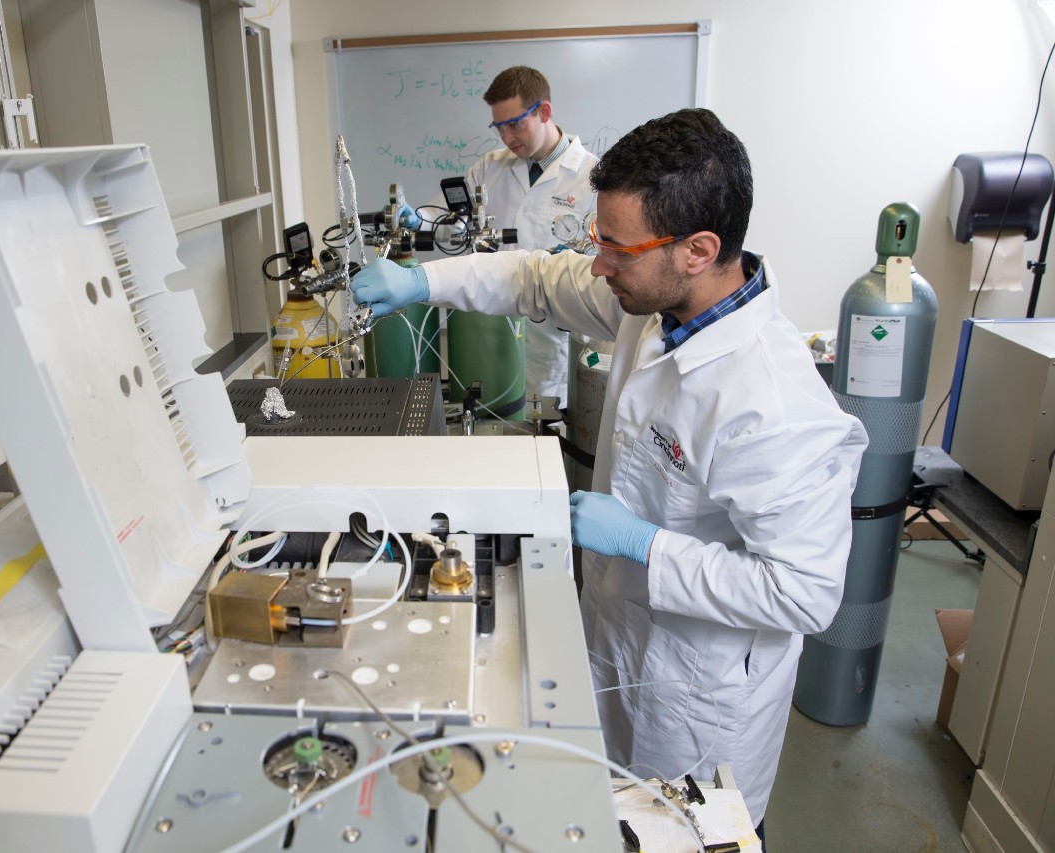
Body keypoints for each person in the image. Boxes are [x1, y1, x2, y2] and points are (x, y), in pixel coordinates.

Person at [352, 108, 868, 840]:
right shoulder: (654, 306)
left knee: (678, 834)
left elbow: (807, 592)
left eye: (616, 249)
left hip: (700, 705)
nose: (599, 265)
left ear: (698, 249)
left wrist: (646, 545)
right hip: (619, 642)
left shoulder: (776, 406)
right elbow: (535, 277)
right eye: (600, 241)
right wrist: (421, 282)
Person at [404, 66, 598, 408]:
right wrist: (415, 220)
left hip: (551, 338)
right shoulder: (488, 168)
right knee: (492, 420)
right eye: (499, 127)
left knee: (547, 432)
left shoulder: (591, 178)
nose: (507, 138)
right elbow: (449, 221)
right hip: (490, 330)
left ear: (544, 112)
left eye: (515, 124)